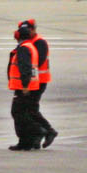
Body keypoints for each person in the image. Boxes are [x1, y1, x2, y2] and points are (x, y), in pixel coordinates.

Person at [20, 19, 57, 148]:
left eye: (29, 29)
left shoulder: (39, 42)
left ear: (33, 29)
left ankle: (48, 131)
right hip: (33, 81)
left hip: (39, 81)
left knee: (30, 109)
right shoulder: (28, 43)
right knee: (30, 109)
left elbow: (37, 62)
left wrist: (27, 82)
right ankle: (37, 135)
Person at [8, 22, 44, 150]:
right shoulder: (30, 46)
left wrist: (24, 85)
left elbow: (25, 67)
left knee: (18, 113)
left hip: (23, 87)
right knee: (23, 113)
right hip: (30, 85)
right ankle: (27, 140)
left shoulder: (23, 48)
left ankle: (36, 133)